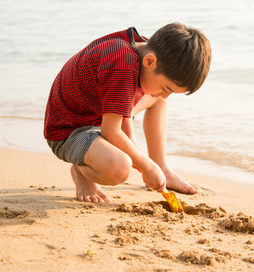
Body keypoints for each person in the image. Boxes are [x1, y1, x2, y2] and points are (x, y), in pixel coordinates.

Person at [43, 23, 212, 203]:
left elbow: (124, 123)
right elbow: (112, 131)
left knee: (158, 99)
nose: (166, 95)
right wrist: (147, 167)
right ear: (149, 61)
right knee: (119, 167)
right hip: (70, 130)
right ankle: (81, 171)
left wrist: (153, 167)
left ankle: (163, 167)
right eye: (166, 88)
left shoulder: (147, 52)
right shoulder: (122, 64)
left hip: (101, 114)